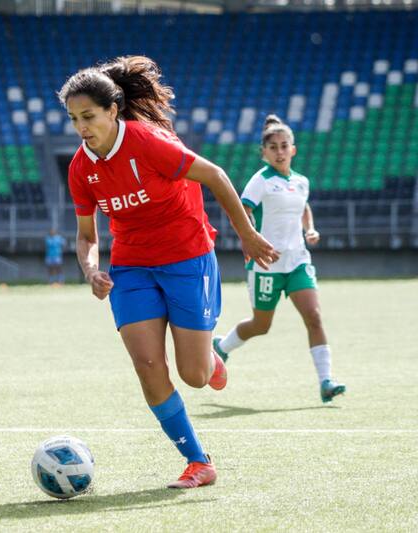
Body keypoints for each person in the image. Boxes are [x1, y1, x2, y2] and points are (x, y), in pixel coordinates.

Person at [60, 56, 278, 489]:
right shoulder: (81, 168)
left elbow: (214, 175)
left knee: (195, 376)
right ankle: (199, 462)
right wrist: (91, 270)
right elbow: (87, 235)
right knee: (147, 364)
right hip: (132, 264)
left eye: (88, 116)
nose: (81, 127)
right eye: (72, 119)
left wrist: (247, 235)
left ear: (112, 111)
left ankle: (210, 357)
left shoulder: (147, 142)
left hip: (187, 256)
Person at [212, 115, 346, 403]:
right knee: (261, 325)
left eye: (285, 146)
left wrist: (309, 228)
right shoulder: (260, 181)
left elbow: (303, 207)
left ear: (293, 149)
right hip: (266, 265)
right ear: (264, 152)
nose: (280, 151)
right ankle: (222, 346)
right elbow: (243, 211)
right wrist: (249, 240)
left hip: (297, 261)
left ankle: (326, 381)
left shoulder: (300, 182)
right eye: (273, 147)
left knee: (314, 316)